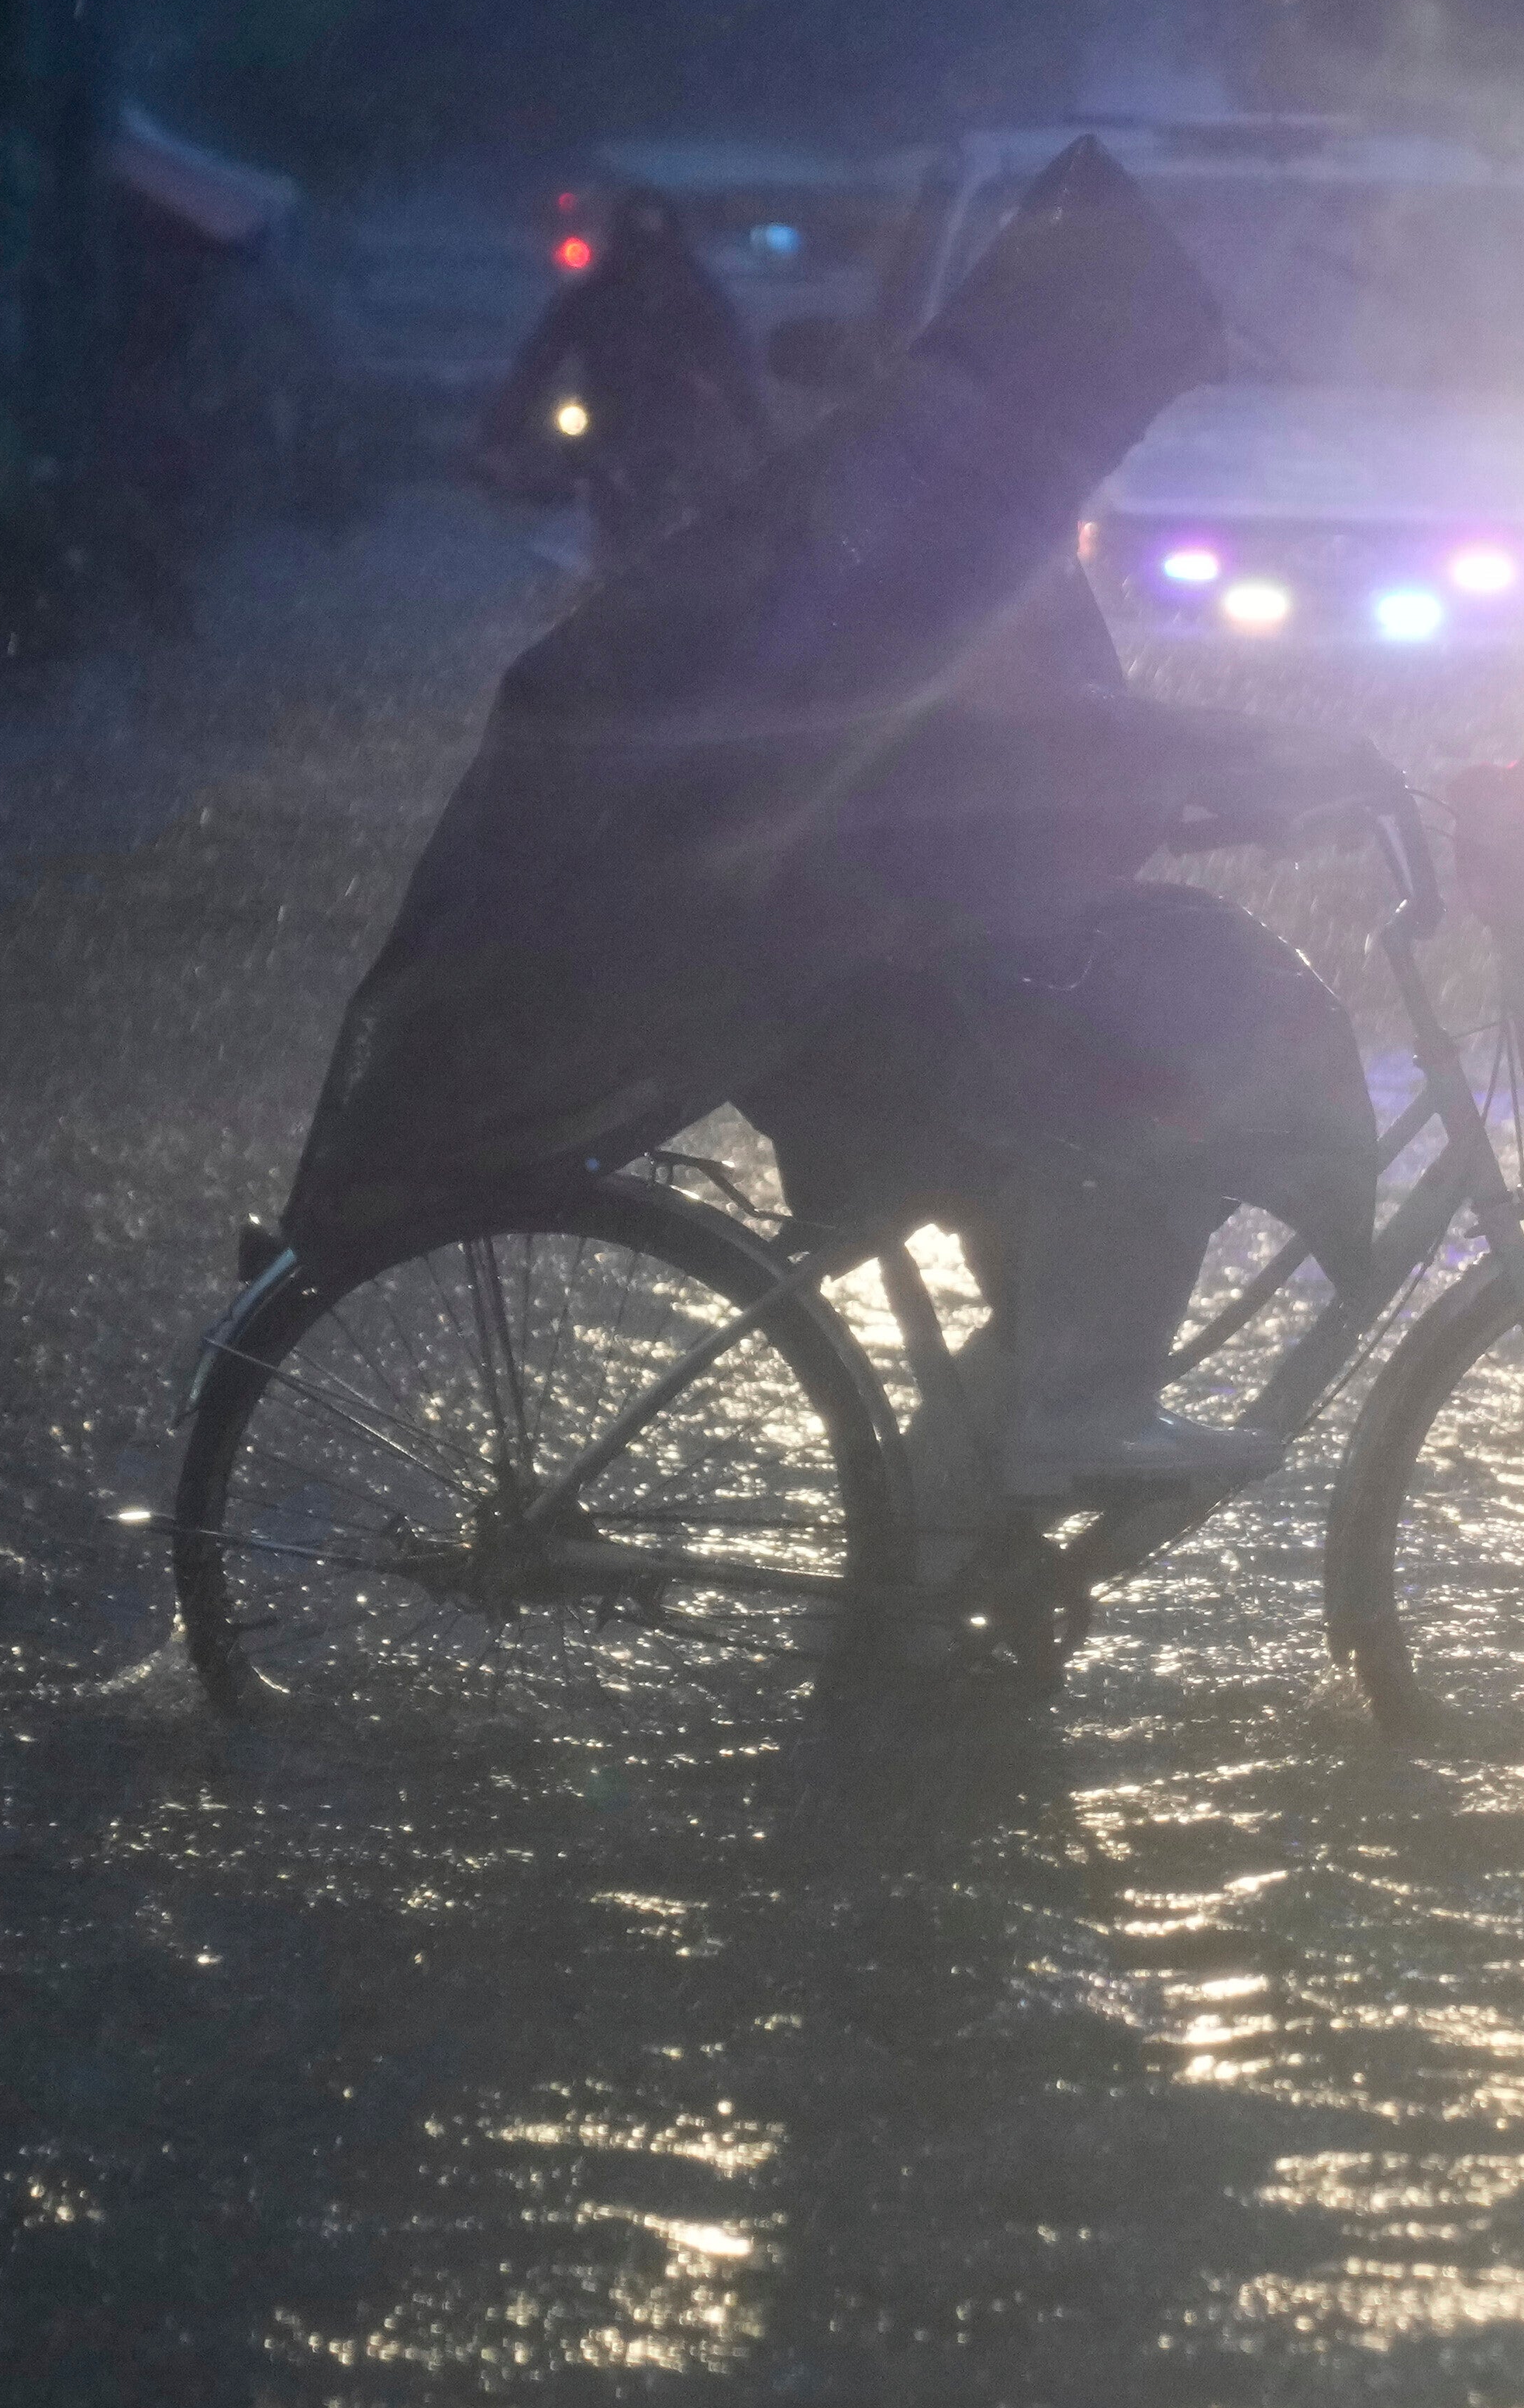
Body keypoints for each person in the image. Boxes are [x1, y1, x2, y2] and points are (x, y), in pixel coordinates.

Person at [287, 143, 1385, 1502]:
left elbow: (1019, 742)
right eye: (1136, 395)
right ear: (1088, 364)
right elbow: (1020, 725)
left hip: (826, 924)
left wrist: (1227, 783)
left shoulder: (971, 461)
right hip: (806, 955)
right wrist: (1260, 756)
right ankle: (1064, 1421)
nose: (1132, 425)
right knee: (1181, 1057)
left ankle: (952, 1555)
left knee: (1156, 1008)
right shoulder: (959, 487)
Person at [474, 182, 771, 563]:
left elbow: (732, 364)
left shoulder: (695, 297)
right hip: (608, 420)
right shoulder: (596, 295)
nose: (646, 262)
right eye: (638, 247)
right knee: (610, 512)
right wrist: (498, 433)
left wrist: (758, 431)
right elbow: (538, 365)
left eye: (654, 249)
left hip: (678, 423)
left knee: (692, 521)